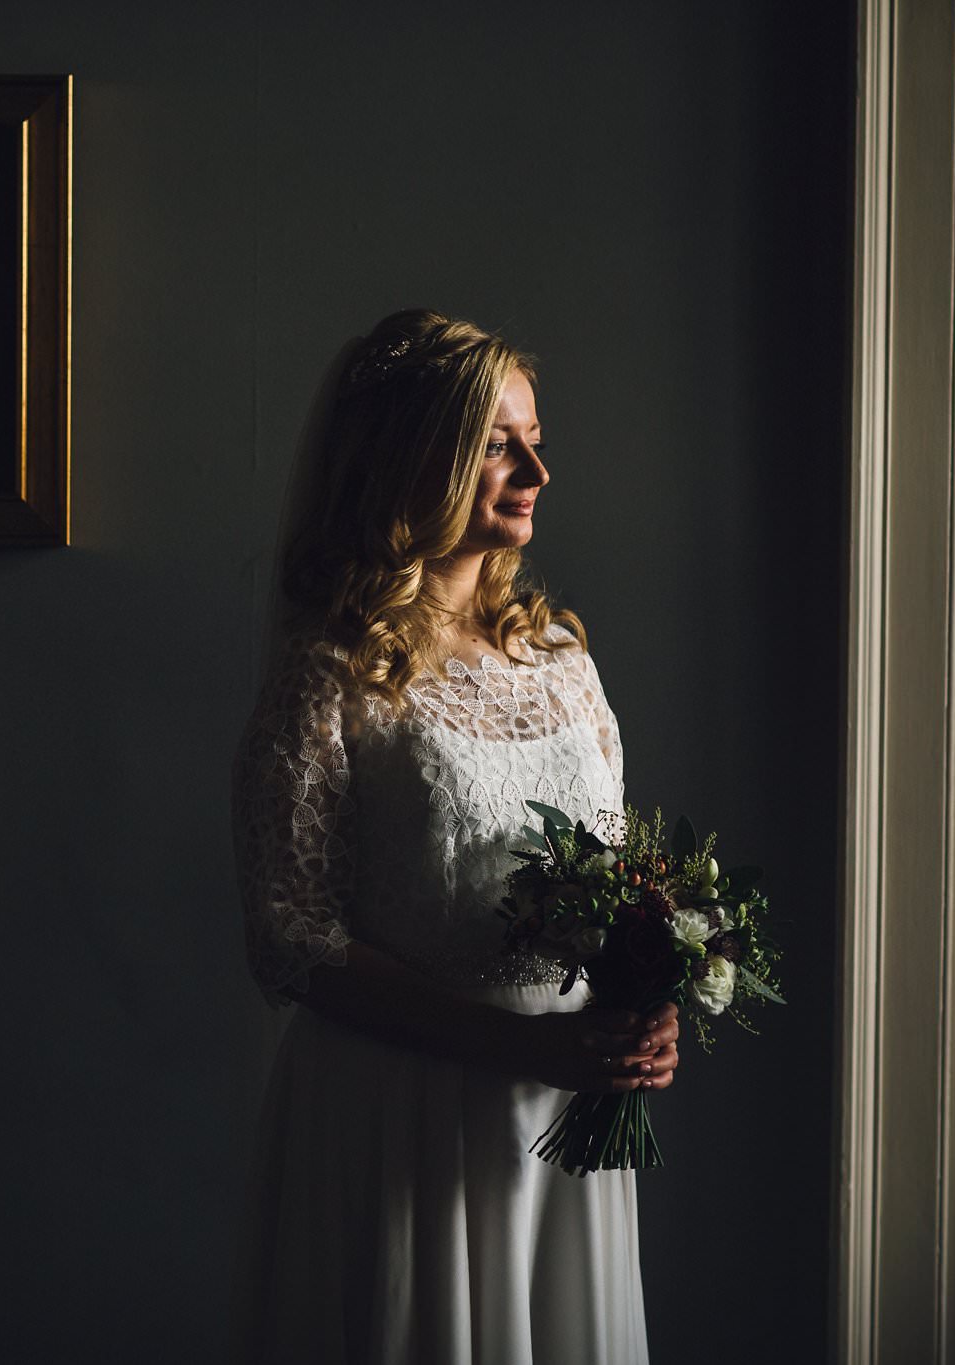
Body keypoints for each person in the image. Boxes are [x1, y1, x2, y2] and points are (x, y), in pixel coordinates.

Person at [229, 309, 676, 1364]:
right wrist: (509, 1044)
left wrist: (646, 997)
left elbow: (615, 880)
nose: (535, 469)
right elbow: (288, 934)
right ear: (409, 458)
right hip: (400, 1108)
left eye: (535, 438)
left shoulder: (558, 656)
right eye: (495, 442)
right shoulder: (332, 671)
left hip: (558, 1114)